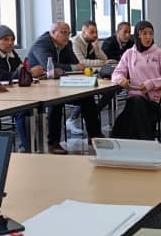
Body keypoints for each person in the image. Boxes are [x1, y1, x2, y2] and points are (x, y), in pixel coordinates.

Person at [24, 22, 103, 153]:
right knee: (56, 102)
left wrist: (69, 68)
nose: (67, 36)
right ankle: (53, 143)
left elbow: (75, 64)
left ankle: (95, 136)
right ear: (53, 33)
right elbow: (50, 66)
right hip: (38, 87)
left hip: (60, 84)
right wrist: (71, 67)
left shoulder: (67, 44)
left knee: (87, 97)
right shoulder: (41, 44)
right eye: (63, 32)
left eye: (68, 33)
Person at [0, 25, 43, 150]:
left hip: (8, 93)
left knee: (34, 106)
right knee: (23, 110)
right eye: (6, 39)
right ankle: (29, 148)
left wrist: (29, 73)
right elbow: (0, 77)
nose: (10, 43)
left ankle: (34, 145)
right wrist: (29, 74)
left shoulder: (10, 52)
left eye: (12, 39)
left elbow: (21, 69)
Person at [110, 21, 161, 140]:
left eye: (151, 34)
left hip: (156, 103)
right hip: (135, 100)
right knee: (135, 105)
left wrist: (151, 84)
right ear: (137, 35)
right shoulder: (129, 54)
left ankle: (141, 142)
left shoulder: (160, 54)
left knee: (130, 116)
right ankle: (146, 142)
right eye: (144, 33)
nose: (148, 37)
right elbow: (116, 73)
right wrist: (121, 80)